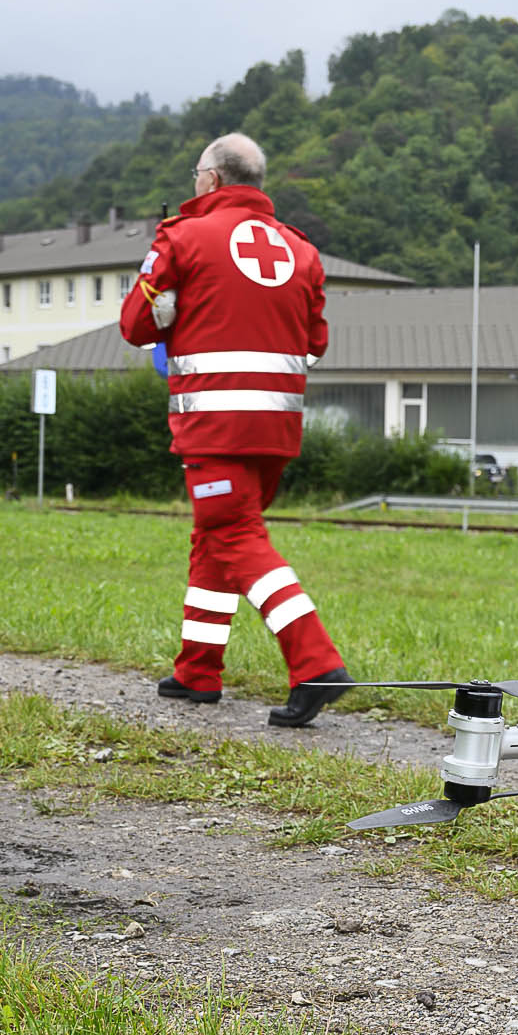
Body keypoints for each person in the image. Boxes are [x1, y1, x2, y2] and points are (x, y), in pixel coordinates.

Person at [120, 132, 354, 727]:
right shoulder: (301, 250)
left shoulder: (183, 235)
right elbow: (316, 341)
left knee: (236, 538)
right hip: (276, 426)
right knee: (216, 538)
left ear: (213, 179)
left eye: (196, 173)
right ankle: (198, 671)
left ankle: (315, 662)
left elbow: (135, 325)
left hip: (214, 420)